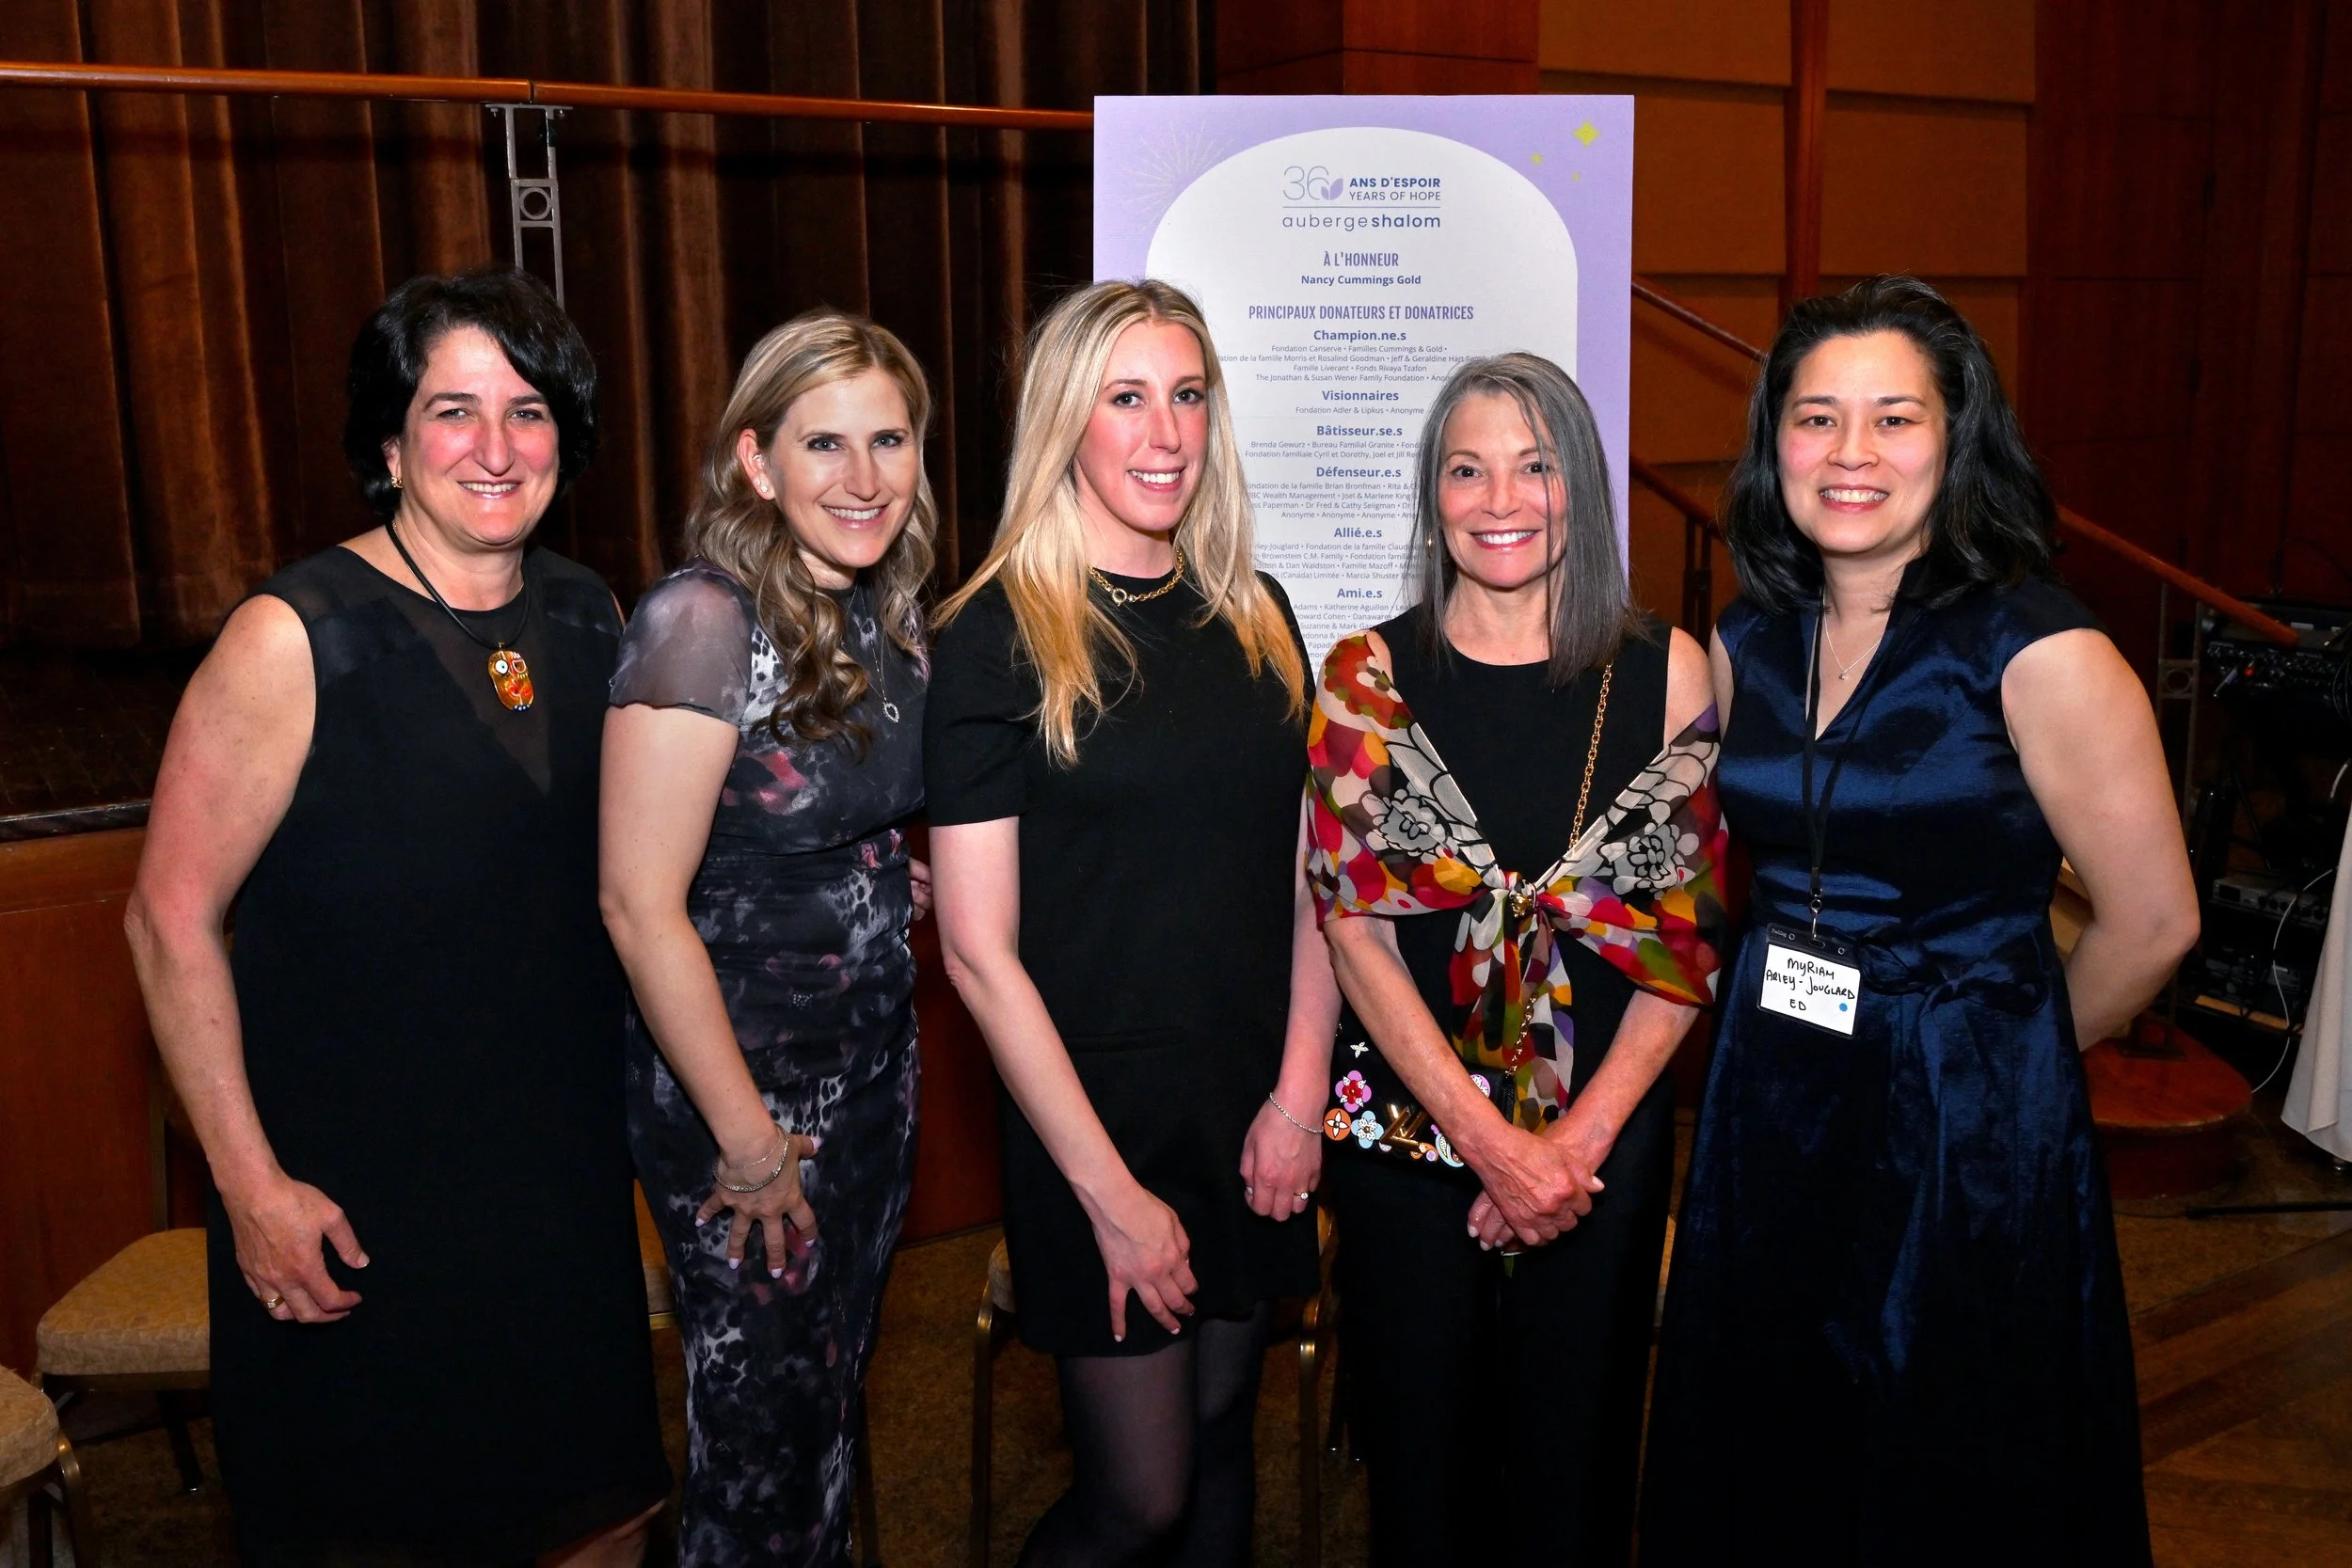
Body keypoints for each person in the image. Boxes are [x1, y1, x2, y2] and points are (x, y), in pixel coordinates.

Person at [1641, 276, 2198, 1565]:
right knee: (1778, 1424)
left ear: (1956, 441)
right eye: (1816, 418)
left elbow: (2154, 922)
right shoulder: (1746, 638)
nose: (1851, 453)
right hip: (1775, 1093)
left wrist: (2006, 1052)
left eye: (1893, 418)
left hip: (1962, 1113)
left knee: (1948, 1436)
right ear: (1775, 442)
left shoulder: (2041, 650)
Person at [122, 269, 670, 1566]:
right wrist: (250, 1187)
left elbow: (634, 872)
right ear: (390, 440)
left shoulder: (591, 614)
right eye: (453, 411)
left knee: (604, 1521)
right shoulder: (293, 637)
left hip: (556, 1192)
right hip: (358, 1202)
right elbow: (166, 919)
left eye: (528, 412)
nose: (496, 448)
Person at [926, 278, 1335, 1566]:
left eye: (1188, 396)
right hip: (1093, 1122)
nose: (1165, 433)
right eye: (1127, 398)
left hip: (1250, 1105)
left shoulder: (1259, 614)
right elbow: (978, 954)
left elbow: (1310, 878)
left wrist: (1299, 1095)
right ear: (1067, 422)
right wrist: (1107, 1194)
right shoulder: (995, 637)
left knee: (1221, 1444)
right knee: (1138, 1500)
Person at [1308, 354, 1726, 1565]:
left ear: (1578, 485)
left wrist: (1566, 1151)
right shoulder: (1363, 676)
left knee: (1575, 1480)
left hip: (1601, 1133)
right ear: (1432, 494)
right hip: (1405, 1130)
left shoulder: (1666, 669)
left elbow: (1684, 947)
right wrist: (1489, 1146)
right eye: (1467, 469)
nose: (1501, 499)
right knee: (1422, 1486)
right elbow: (1354, 934)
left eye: (1535, 467)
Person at [599, 310, 936, 1565]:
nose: (864, 478)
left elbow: (818, 819)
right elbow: (637, 904)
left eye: (889, 440)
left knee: (825, 1412)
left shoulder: (886, 609)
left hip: (872, 1078)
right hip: (744, 1101)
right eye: (824, 443)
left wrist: (885, 881)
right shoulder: (702, 619)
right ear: (757, 460)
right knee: (760, 1453)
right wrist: (747, 1144)